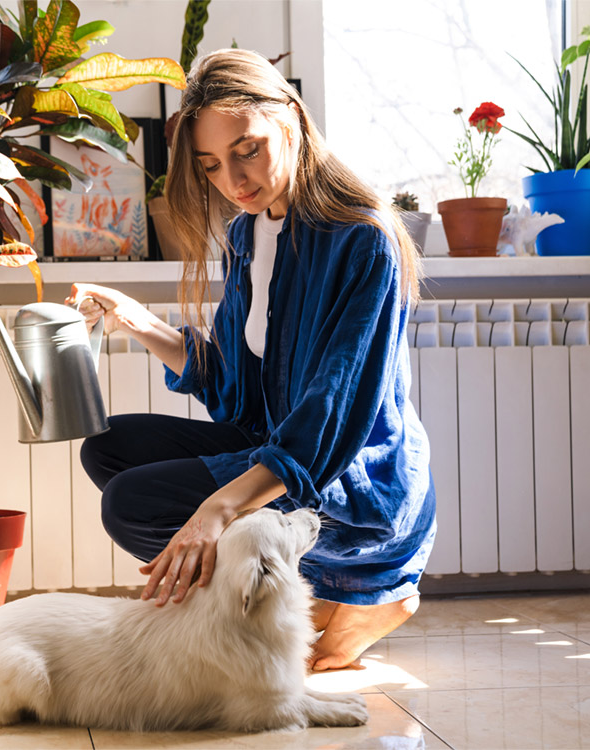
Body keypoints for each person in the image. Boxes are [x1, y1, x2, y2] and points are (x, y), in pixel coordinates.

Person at [67, 48, 435, 672]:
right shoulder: (249, 231)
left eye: (248, 149)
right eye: (211, 166)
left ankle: (364, 592)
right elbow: (237, 388)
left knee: (130, 505)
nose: (234, 181)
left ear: (289, 118)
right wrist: (136, 319)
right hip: (274, 445)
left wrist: (219, 509)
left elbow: (328, 418)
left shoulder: (363, 239)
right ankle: (283, 599)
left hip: (347, 483)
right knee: (106, 448)